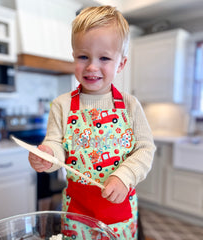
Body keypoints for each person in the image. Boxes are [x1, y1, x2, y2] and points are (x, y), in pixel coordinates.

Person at [28, 5, 156, 239]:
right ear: (74, 55)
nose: (91, 67)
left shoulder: (130, 106)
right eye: (83, 56)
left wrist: (124, 175)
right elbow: (56, 148)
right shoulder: (62, 105)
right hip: (77, 209)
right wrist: (47, 156)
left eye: (104, 58)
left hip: (118, 210)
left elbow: (145, 149)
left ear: (121, 64)